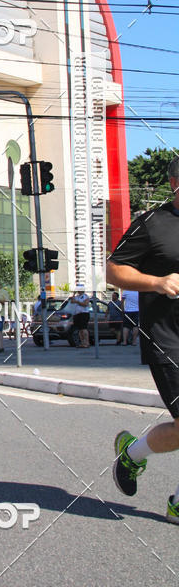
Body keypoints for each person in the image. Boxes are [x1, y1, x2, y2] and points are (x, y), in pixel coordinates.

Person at [107, 156, 179, 523]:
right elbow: (113, 269)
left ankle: (132, 455)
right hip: (168, 338)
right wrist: (157, 282)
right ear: (174, 183)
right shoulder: (152, 224)